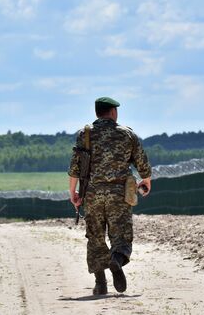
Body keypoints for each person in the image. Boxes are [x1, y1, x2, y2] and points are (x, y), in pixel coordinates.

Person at [68, 97, 152, 295]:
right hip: (119, 195)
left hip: (92, 194)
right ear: (113, 112)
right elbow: (143, 165)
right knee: (121, 236)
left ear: (97, 113)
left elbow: (74, 168)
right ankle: (116, 260)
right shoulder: (127, 135)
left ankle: (100, 284)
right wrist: (146, 181)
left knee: (95, 238)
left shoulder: (85, 134)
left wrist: (74, 193)